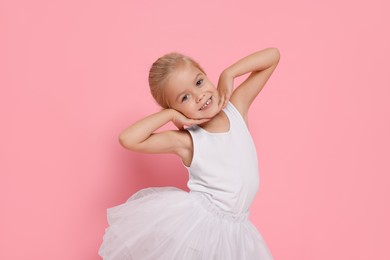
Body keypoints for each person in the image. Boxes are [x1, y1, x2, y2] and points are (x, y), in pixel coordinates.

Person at [99, 47, 280, 259]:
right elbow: (127, 138)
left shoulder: (236, 108)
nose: (199, 96)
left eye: (199, 82)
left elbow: (272, 56)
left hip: (238, 229)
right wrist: (168, 115)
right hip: (203, 228)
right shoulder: (188, 141)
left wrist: (229, 73)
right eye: (184, 98)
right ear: (177, 110)